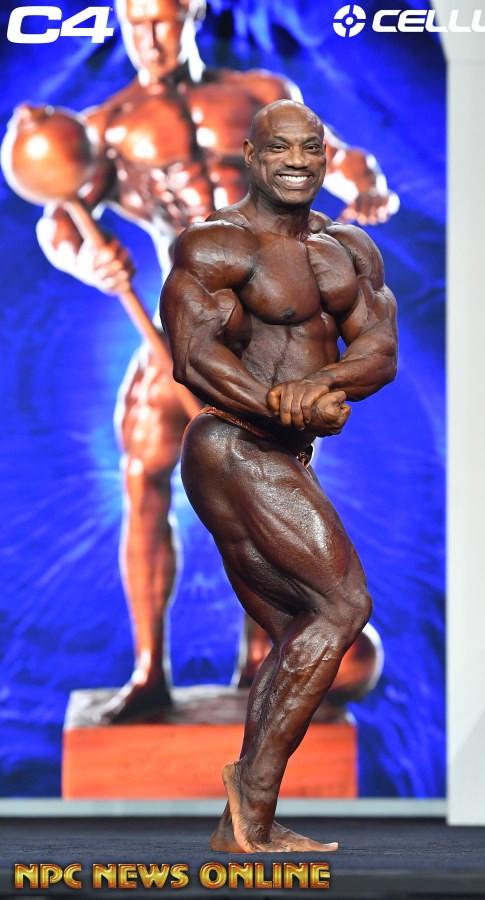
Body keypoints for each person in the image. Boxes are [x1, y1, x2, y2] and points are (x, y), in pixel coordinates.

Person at [33, 0, 398, 722]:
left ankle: (261, 660)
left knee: (267, 489)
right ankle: (148, 673)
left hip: (268, 333)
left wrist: (366, 185)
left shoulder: (260, 96)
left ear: (191, 13)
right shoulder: (106, 128)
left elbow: (340, 158)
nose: (148, 38)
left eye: (162, 21)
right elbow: (58, 219)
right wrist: (84, 262)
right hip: (183, 328)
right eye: (135, 23)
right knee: (144, 475)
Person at [160, 99, 398, 852]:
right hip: (231, 444)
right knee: (343, 603)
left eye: (311, 148)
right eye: (280, 147)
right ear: (251, 155)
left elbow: (379, 351)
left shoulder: (348, 248)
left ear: (325, 156)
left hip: (282, 453)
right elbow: (193, 359)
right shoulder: (216, 244)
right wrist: (279, 404)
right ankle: (253, 792)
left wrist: (319, 387)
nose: (298, 160)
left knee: (302, 627)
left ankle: (245, 827)